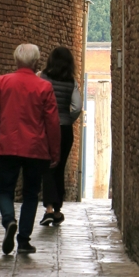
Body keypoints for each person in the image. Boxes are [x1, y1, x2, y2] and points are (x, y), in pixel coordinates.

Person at [0, 43, 60, 255]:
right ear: (36, 62)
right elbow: (52, 123)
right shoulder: (44, 87)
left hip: (7, 146)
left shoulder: (2, 82)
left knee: (4, 190)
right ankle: (23, 240)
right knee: (31, 193)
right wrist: (55, 151)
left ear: (16, 60)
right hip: (36, 148)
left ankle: (9, 221)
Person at [38, 46, 82, 226]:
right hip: (64, 129)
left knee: (47, 166)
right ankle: (57, 209)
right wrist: (68, 119)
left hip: (46, 129)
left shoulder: (41, 77)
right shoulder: (72, 82)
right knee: (60, 166)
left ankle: (49, 208)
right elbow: (77, 106)